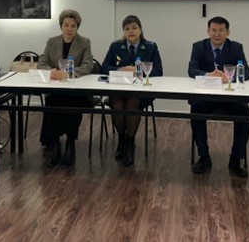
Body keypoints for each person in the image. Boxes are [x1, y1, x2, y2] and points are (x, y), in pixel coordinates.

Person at [188, 16, 249, 178]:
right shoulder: (199, 46)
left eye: (221, 31)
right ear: (208, 31)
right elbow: (192, 69)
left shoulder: (236, 47)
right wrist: (208, 75)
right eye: (213, 30)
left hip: (230, 97)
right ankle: (204, 157)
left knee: (244, 113)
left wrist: (228, 77)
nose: (217, 34)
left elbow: (247, 72)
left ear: (227, 32)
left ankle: (236, 158)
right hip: (206, 96)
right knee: (196, 110)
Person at [101, 15, 163, 166]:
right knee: (117, 104)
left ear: (140, 30)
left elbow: (158, 71)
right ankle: (121, 140)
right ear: (123, 31)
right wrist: (121, 70)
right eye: (127, 29)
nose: (131, 31)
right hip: (119, 88)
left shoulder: (150, 47)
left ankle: (130, 143)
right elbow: (104, 67)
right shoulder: (116, 46)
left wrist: (137, 70)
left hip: (141, 92)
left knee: (132, 103)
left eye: (134, 28)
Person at [37, 9, 94, 168]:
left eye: (73, 26)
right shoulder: (52, 41)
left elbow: (88, 65)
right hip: (55, 86)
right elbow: (42, 63)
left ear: (77, 27)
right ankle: (55, 144)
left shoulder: (84, 42)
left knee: (72, 102)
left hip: (76, 89)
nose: (69, 29)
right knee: (53, 101)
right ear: (61, 26)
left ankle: (70, 143)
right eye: (66, 25)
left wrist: (69, 74)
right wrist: (52, 72)